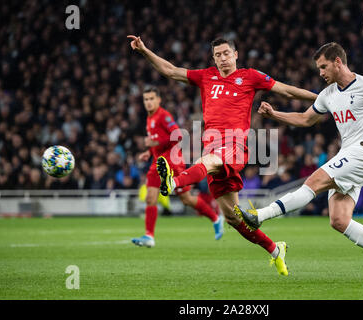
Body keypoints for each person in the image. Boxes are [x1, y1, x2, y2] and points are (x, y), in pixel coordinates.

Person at [127, 35, 317, 275]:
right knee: (234, 218)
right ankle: (275, 249)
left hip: (234, 146)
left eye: (226, 53)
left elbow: (286, 91)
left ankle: (173, 182)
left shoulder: (250, 76)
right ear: (213, 58)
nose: (223, 58)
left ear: (236, 54)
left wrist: (319, 98)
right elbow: (171, 71)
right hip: (212, 147)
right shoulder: (206, 76)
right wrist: (144, 50)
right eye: (218, 55)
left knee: (207, 161)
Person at [235, 42, 363, 279]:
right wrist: (275, 114)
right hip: (349, 155)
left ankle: (260, 216)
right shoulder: (328, 95)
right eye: (318, 68)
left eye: (323, 67)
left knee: (314, 181)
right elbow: (305, 119)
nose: (321, 73)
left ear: (338, 62)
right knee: (338, 220)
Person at [131, 86, 224, 248]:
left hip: (172, 161)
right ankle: (149, 236)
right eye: (146, 99)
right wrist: (149, 151)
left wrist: (156, 143)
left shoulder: (163, 116)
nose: (149, 102)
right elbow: (156, 140)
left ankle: (215, 218)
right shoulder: (149, 118)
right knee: (150, 198)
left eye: (152, 98)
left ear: (159, 100)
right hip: (156, 162)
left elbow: (178, 135)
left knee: (187, 199)